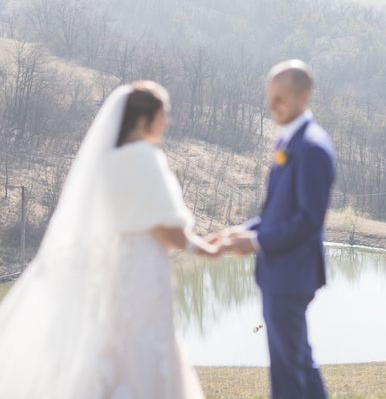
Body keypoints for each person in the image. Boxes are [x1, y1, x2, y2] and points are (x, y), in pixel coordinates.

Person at [0, 81, 215, 398]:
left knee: (116, 347)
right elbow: (166, 231)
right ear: (143, 120)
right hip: (144, 268)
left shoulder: (106, 163)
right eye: (163, 114)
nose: (167, 122)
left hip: (115, 267)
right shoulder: (144, 157)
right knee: (147, 348)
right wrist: (206, 247)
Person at [213, 60, 336, 399]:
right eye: (270, 97)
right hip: (281, 272)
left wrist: (256, 242)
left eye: (280, 98)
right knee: (299, 363)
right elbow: (279, 209)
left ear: (304, 96)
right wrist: (240, 231)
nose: (272, 106)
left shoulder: (312, 147)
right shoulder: (288, 142)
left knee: (286, 374)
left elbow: (308, 220)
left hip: (292, 274)